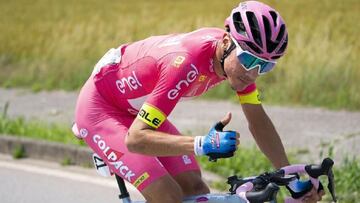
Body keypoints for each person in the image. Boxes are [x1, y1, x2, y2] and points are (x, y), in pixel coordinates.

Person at [73, 1, 324, 202]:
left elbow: (259, 124)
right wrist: (203, 144)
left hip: (131, 109)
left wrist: (292, 178)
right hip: (100, 110)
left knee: (196, 189)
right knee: (168, 196)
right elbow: (136, 139)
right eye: (249, 60)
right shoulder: (185, 63)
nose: (253, 73)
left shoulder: (236, 63)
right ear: (227, 42)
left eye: (265, 66)